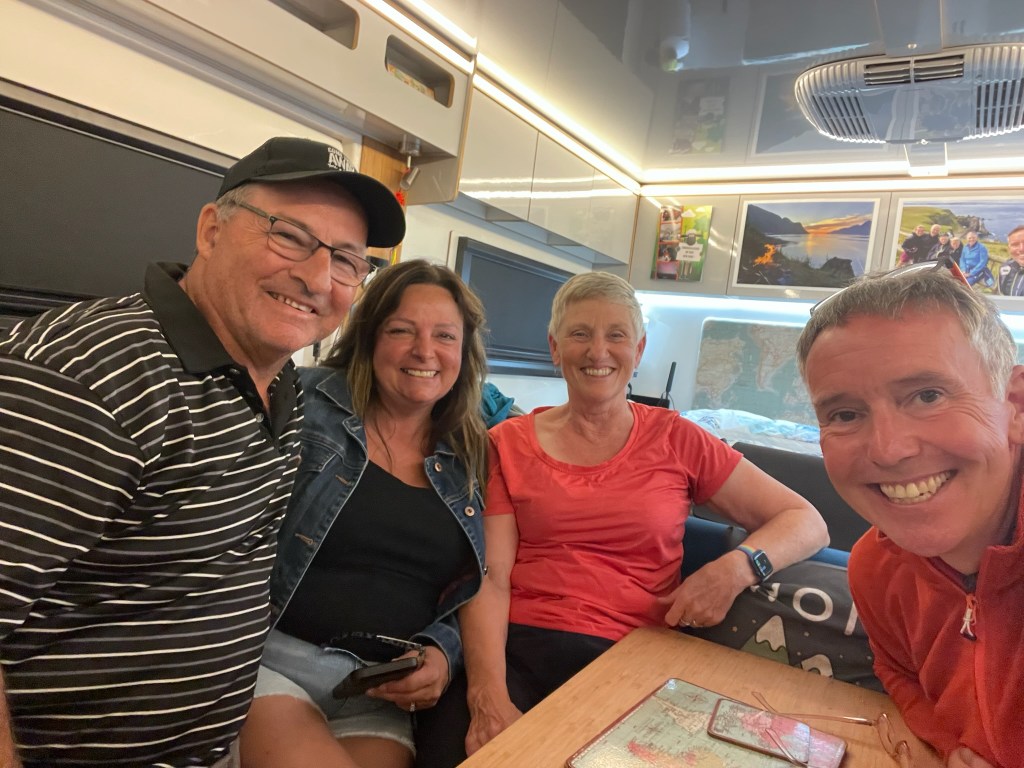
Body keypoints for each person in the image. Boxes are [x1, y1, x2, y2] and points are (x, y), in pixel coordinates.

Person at [0, 136, 405, 767]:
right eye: (289, 236)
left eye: (347, 260)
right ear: (211, 230)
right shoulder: (90, 378)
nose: (317, 277)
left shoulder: (283, 385)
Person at [440, 272, 829, 763]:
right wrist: (488, 696)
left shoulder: (678, 438)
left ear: (638, 349)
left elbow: (806, 520)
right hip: (518, 647)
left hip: (633, 657)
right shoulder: (505, 444)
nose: (598, 351)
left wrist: (734, 569)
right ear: (555, 348)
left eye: (616, 335)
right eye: (580, 334)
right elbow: (492, 578)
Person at [239, 260, 489, 768]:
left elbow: (476, 589)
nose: (425, 351)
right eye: (402, 330)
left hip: (378, 693)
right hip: (271, 662)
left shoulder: (474, 457)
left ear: (464, 352)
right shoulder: (304, 399)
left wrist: (443, 654)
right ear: (371, 336)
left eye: (445, 335)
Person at [797, 266, 1024, 768]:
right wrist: (950, 740)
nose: (889, 450)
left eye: (928, 396)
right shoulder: (875, 567)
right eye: (845, 415)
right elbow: (898, 671)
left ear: (1014, 404)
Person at [997, 224, 1024, 296]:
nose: (1021, 249)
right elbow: (1002, 294)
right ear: (1009, 249)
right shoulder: (1005, 268)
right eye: (1015, 244)